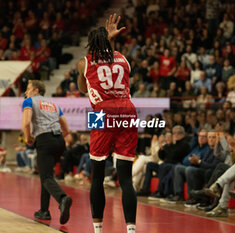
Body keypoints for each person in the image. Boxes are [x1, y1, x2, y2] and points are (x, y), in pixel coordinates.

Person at [77, 14, 138, 233]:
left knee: (97, 176)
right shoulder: (123, 58)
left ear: (91, 43)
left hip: (101, 111)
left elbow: (84, 89)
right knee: (126, 178)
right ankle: (130, 229)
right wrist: (111, 42)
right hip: (127, 109)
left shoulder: (84, 61)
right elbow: (110, 59)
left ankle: (98, 229)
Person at [22, 80, 72, 225]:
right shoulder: (54, 104)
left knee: (46, 178)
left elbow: (26, 123)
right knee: (47, 176)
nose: (26, 92)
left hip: (44, 140)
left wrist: (28, 137)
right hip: (59, 142)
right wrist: (55, 139)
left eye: (28, 89)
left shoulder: (29, 101)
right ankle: (44, 211)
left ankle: (62, 199)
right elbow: (66, 129)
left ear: (36, 91)